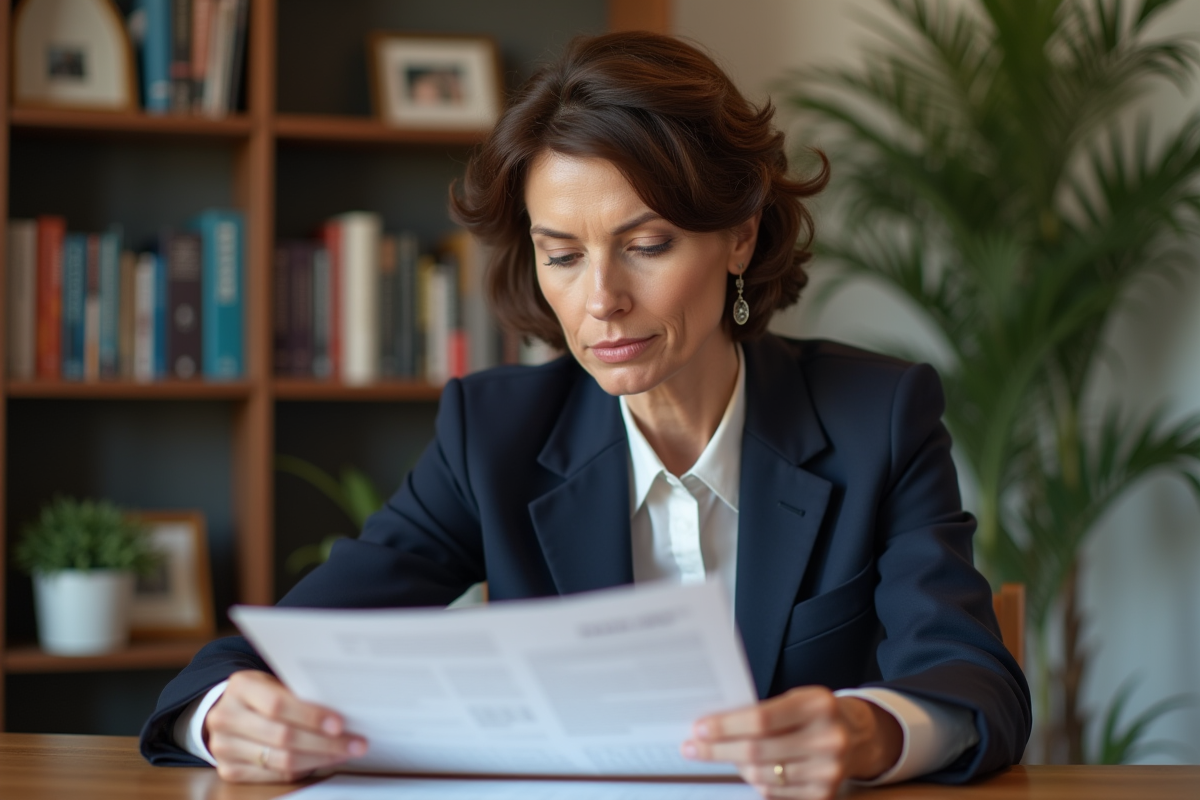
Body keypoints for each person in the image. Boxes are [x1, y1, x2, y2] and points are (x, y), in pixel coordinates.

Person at [140, 31, 1030, 798]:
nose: (601, 299)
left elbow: (973, 684)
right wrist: (225, 718)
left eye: (646, 246)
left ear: (741, 236)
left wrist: (866, 732)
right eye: (561, 255)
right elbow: (261, 656)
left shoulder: (877, 417)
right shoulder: (494, 436)